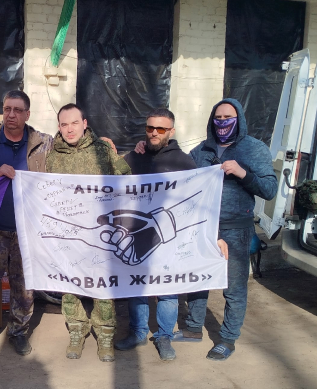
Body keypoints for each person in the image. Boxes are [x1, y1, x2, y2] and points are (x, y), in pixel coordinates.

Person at [177, 98, 276, 360]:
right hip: (203, 227)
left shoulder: (254, 149)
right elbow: (181, 179)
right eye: (218, 118)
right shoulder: (201, 150)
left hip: (236, 228)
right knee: (198, 279)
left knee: (234, 287)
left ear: (239, 119)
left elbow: (269, 190)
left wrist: (244, 174)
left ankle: (228, 339)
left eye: (227, 118)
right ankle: (193, 328)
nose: (222, 123)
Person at [0, 90, 54, 364]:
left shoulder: (44, 144)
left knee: (24, 287)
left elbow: (67, 160)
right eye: (7, 109)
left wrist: (102, 143)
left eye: (17, 110)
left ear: (27, 114)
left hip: (28, 231)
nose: (11, 115)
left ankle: (18, 331)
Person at [46, 103, 132, 362]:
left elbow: (126, 179)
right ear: (59, 127)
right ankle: (76, 330)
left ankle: (105, 335)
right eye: (64, 124)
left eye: (75, 123)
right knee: (69, 285)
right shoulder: (53, 156)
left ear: (85, 124)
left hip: (101, 233)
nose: (69, 129)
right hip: (68, 234)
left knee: (102, 286)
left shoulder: (103, 151)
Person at [116, 108, 198, 361]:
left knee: (168, 290)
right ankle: (138, 332)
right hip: (137, 232)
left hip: (170, 236)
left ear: (171, 131)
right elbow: (111, 177)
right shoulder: (135, 157)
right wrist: (110, 149)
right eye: (150, 127)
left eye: (160, 129)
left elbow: (199, 199)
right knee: (136, 285)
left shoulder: (184, 162)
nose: (154, 132)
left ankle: (164, 336)